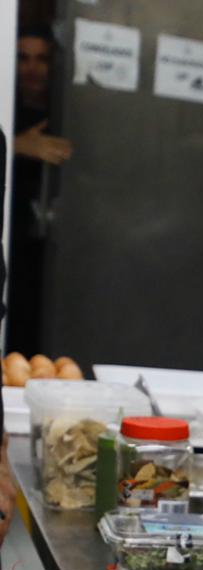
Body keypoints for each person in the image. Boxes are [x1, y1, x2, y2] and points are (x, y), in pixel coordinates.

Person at [10, 26, 71, 356]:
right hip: (14, 238)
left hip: (59, 248)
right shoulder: (7, 111)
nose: (32, 68)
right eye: (23, 58)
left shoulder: (71, 112)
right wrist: (18, 146)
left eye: (42, 59)